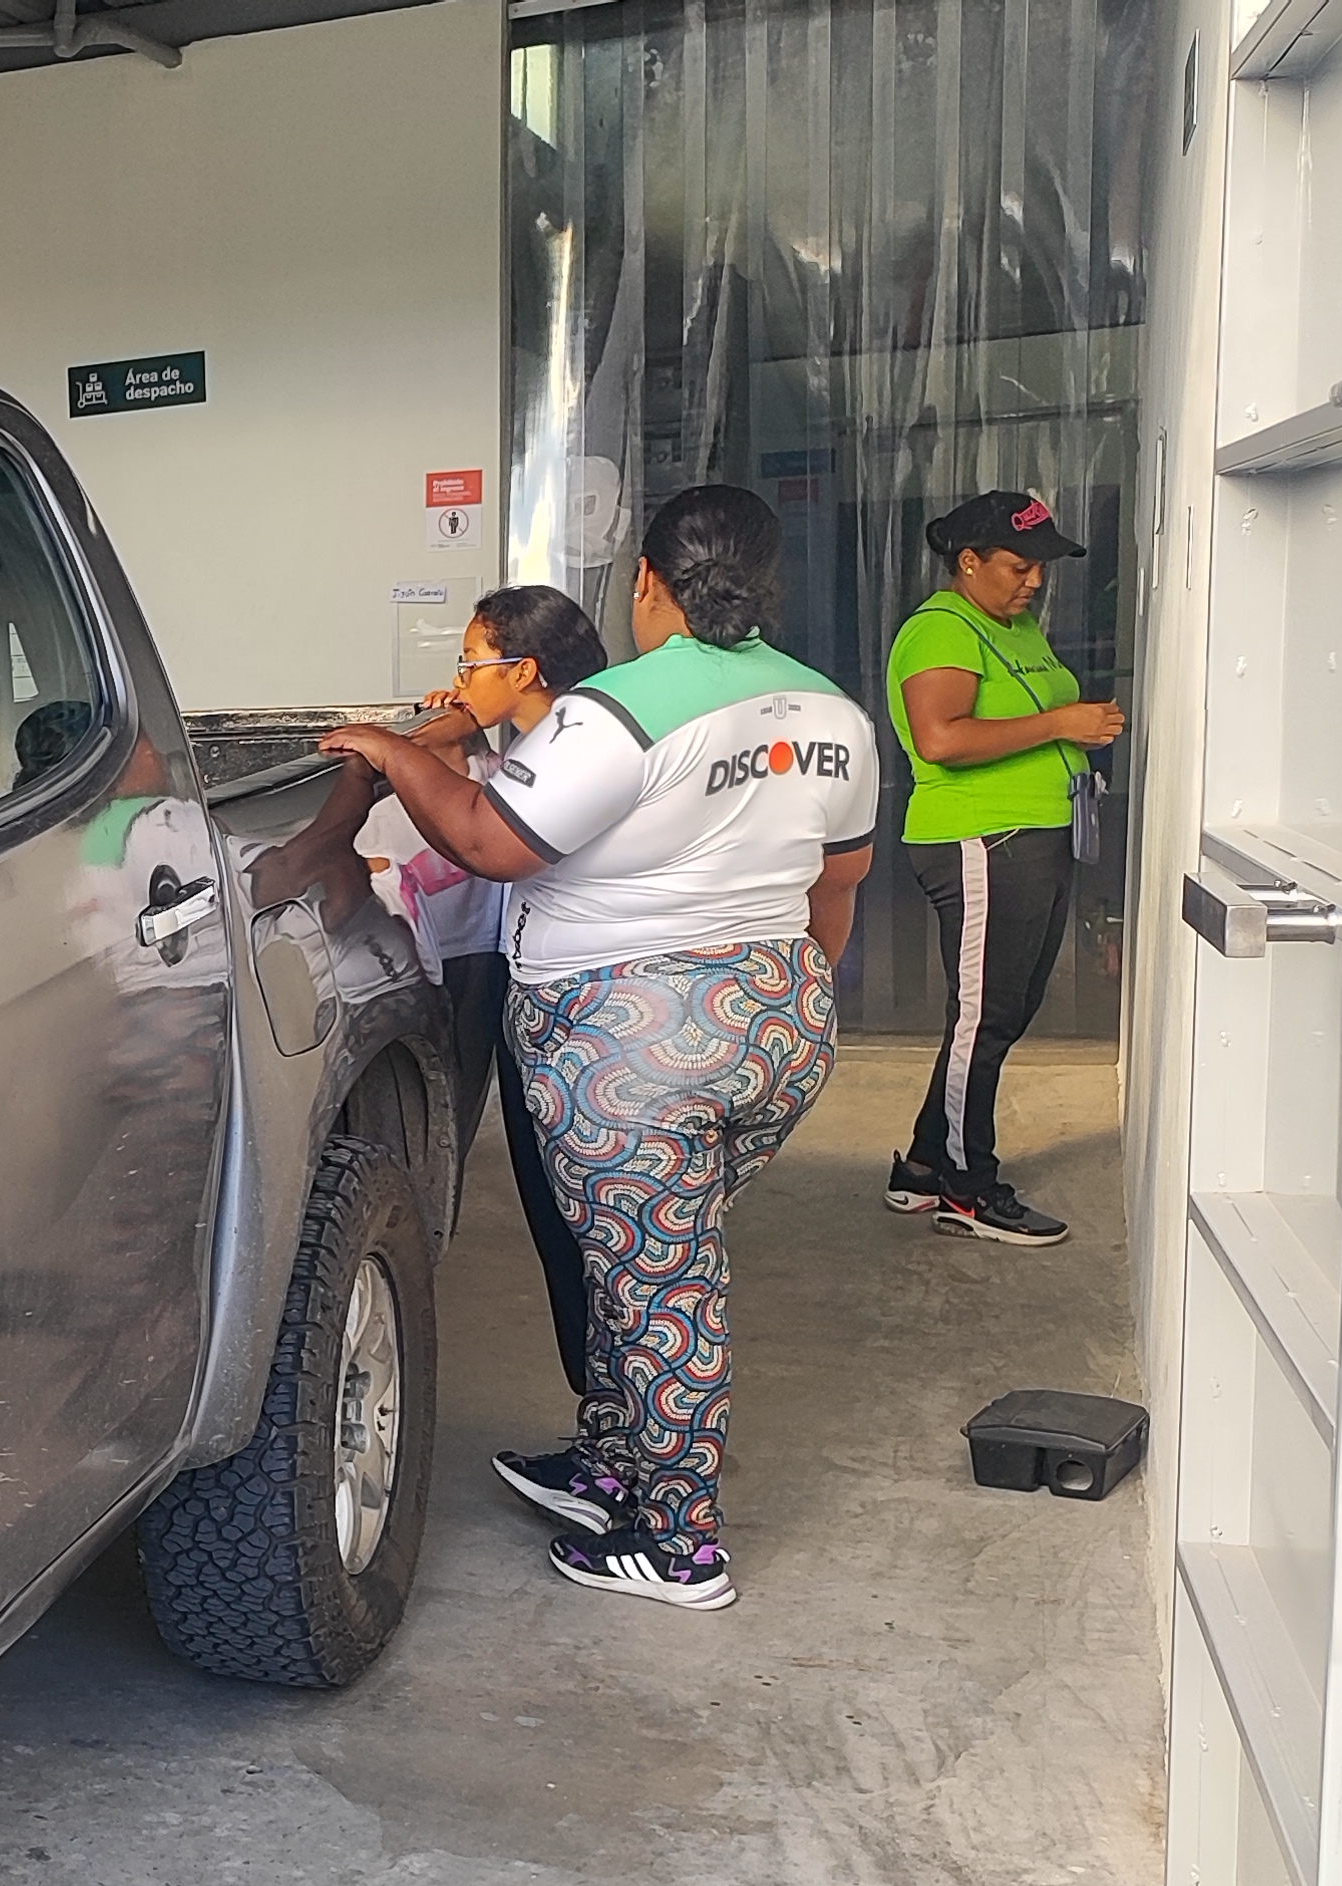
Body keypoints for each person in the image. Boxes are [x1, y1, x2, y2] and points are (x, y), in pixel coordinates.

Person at [321, 486, 879, 1611]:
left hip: (637, 1045)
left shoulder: (618, 710)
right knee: (641, 1260)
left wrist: (391, 751)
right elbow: (840, 881)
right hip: (778, 1022)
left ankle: (679, 1545)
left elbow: (487, 840)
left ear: (648, 582)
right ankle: (611, 1466)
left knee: (663, 1284)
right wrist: (787, 999)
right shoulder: (831, 711)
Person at [354, 586, 612, 1410]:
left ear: (524, 671)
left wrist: (397, 749)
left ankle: (617, 1418)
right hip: (550, 995)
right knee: (566, 1216)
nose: (460, 679)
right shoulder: (554, 740)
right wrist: (459, 730)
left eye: (473, 663)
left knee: (579, 1221)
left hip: (579, 1010)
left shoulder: (570, 753)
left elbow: (479, 838)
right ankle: (608, 1408)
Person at [884, 491, 1123, 1247]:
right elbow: (940, 738)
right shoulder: (942, 630)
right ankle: (967, 1189)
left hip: (1031, 838)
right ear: (969, 561)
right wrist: (1061, 723)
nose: (1035, 581)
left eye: (1042, 567)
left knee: (1003, 1012)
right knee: (984, 1019)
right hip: (982, 840)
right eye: (1020, 566)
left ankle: (926, 1164)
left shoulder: (1013, 628)